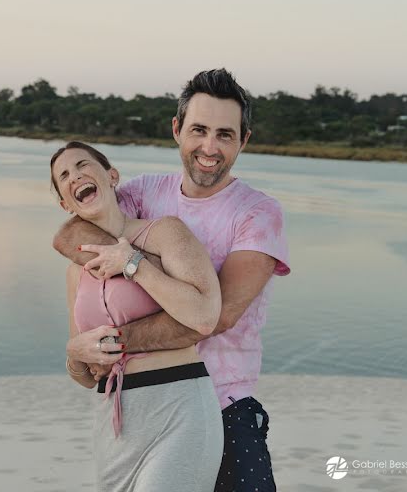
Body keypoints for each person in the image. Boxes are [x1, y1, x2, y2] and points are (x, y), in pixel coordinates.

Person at [56, 68, 290, 492]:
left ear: (244, 140)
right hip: (137, 401)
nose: (209, 147)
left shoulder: (258, 213)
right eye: (199, 130)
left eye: (225, 134)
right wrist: (80, 350)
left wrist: (107, 343)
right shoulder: (143, 193)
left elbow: (215, 318)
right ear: (177, 129)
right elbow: (74, 234)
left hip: (224, 404)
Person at [52, 141, 224, 491]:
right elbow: (87, 374)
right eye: (64, 176)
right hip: (114, 425)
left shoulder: (165, 233)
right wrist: (74, 354)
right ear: (64, 203)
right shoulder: (75, 273)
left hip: (178, 407)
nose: (76, 176)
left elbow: (205, 316)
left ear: (111, 176)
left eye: (83, 165)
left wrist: (132, 264)